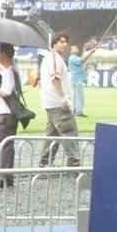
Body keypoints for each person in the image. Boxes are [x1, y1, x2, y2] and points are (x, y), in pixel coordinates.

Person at [37, 32, 81, 167]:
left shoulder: (49, 57)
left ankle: (44, 163)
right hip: (58, 103)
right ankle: (74, 165)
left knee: (52, 135)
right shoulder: (54, 58)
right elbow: (55, 79)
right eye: (61, 41)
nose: (64, 44)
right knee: (70, 132)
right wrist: (64, 98)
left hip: (51, 103)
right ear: (54, 43)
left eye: (65, 41)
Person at [0, 43, 20, 187]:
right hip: (8, 114)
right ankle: (6, 178)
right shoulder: (11, 71)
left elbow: (6, 92)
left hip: (6, 115)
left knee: (2, 146)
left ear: (3, 54)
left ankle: (2, 178)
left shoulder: (9, 72)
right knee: (6, 146)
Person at [67, 44, 87, 117]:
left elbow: (82, 59)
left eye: (76, 47)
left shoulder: (74, 58)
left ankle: (74, 110)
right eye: (74, 48)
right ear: (71, 51)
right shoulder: (73, 58)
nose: (76, 48)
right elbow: (82, 60)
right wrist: (90, 52)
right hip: (77, 79)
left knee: (75, 96)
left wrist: (85, 48)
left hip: (75, 79)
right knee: (79, 96)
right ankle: (79, 111)